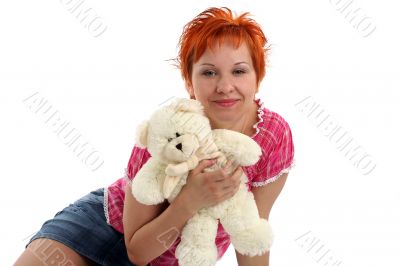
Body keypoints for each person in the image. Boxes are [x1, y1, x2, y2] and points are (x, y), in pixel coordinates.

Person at [15, 6, 295, 266]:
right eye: (209, 72)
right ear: (189, 81)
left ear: (258, 77)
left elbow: (250, 232)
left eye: (239, 71)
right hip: (106, 226)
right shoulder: (167, 130)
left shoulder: (273, 135)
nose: (225, 86)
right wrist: (190, 200)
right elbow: (137, 251)